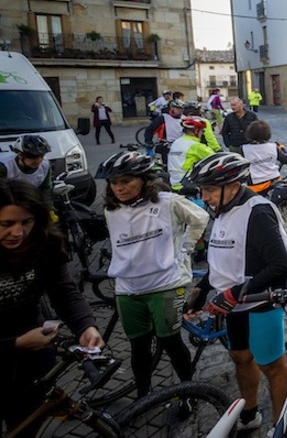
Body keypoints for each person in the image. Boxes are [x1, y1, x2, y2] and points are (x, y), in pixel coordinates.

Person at [184, 153, 287, 430]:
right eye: (202, 190)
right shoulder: (223, 209)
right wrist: (203, 287)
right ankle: (250, 413)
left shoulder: (257, 211)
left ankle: (284, 426)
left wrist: (233, 293)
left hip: (259, 302)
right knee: (240, 358)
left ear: (232, 184)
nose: (204, 196)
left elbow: (280, 265)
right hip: (234, 303)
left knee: (272, 365)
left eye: (209, 189)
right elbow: (226, 259)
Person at [96, 151, 208, 398]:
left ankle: (188, 393)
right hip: (128, 289)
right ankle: (143, 397)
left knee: (170, 341)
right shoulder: (111, 211)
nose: (119, 188)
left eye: (126, 181)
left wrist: (185, 249)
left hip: (166, 285)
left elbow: (200, 217)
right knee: (138, 347)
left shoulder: (168, 202)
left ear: (144, 180)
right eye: (114, 183)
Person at [0, 179, 104, 435]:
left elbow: (63, 290)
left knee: (25, 423)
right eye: (6, 224)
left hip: (31, 359)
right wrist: (14, 343)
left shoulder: (42, 243)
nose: (18, 233)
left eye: (26, 222)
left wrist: (85, 325)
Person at [0, 135, 54, 209]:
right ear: (20, 155)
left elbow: (45, 190)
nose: (38, 160)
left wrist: (49, 209)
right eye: (33, 157)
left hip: (31, 201)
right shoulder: (5, 167)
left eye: (41, 156)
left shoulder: (45, 165)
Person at [167, 117, 215, 190]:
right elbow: (215, 158)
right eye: (202, 131)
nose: (202, 134)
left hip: (174, 182)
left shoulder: (176, 142)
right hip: (188, 184)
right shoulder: (196, 146)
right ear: (196, 131)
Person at [241, 120, 287, 190]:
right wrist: (282, 148)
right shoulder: (273, 147)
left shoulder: (244, 149)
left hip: (255, 184)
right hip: (274, 180)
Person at [144, 99, 185, 163]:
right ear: (172, 108)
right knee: (167, 165)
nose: (180, 111)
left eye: (182, 109)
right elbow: (150, 130)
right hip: (166, 146)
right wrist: (149, 141)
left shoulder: (184, 118)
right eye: (178, 108)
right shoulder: (163, 118)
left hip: (181, 145)